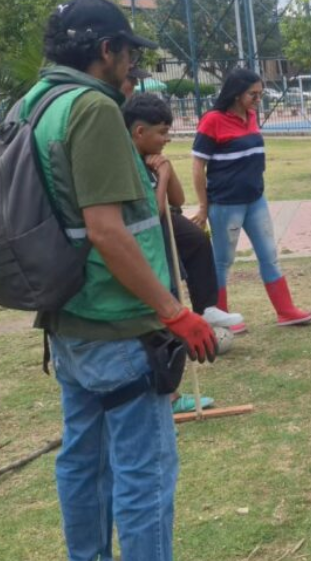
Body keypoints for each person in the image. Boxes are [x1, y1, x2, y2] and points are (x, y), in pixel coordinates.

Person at [27, 0, 217, 560]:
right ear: (105, 49)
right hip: (117, 323)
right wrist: (173, 311)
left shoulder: (36, 103)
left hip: (69, 318)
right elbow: (108, 231)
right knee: (144, 473)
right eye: (129, 53)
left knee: (82, 461)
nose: (132, 64)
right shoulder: (93, 108)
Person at [125, 93, 243, 416]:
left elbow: (175, 198)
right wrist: (160, 177)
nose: (166, 139)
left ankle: (207, 308)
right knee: (164, 309)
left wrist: (167, 168)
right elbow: (153, 209)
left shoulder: (150, 158)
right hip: (147, 245)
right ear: (139, 132)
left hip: (162, 236)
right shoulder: (128, 164)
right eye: (161, 132)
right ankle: (171, 396)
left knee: (194, 239)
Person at [191, 68, 311, 327]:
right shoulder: (212, 120)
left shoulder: (250, 116)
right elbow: (197, 167)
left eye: (260, 94)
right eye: (253, 94)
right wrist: (203, 206)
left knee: (269, 254)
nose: (259, 100)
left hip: (255, 200)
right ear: (236, 94)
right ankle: (220, 316)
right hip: (225, 203)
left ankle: (285, 310)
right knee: (223, 260)